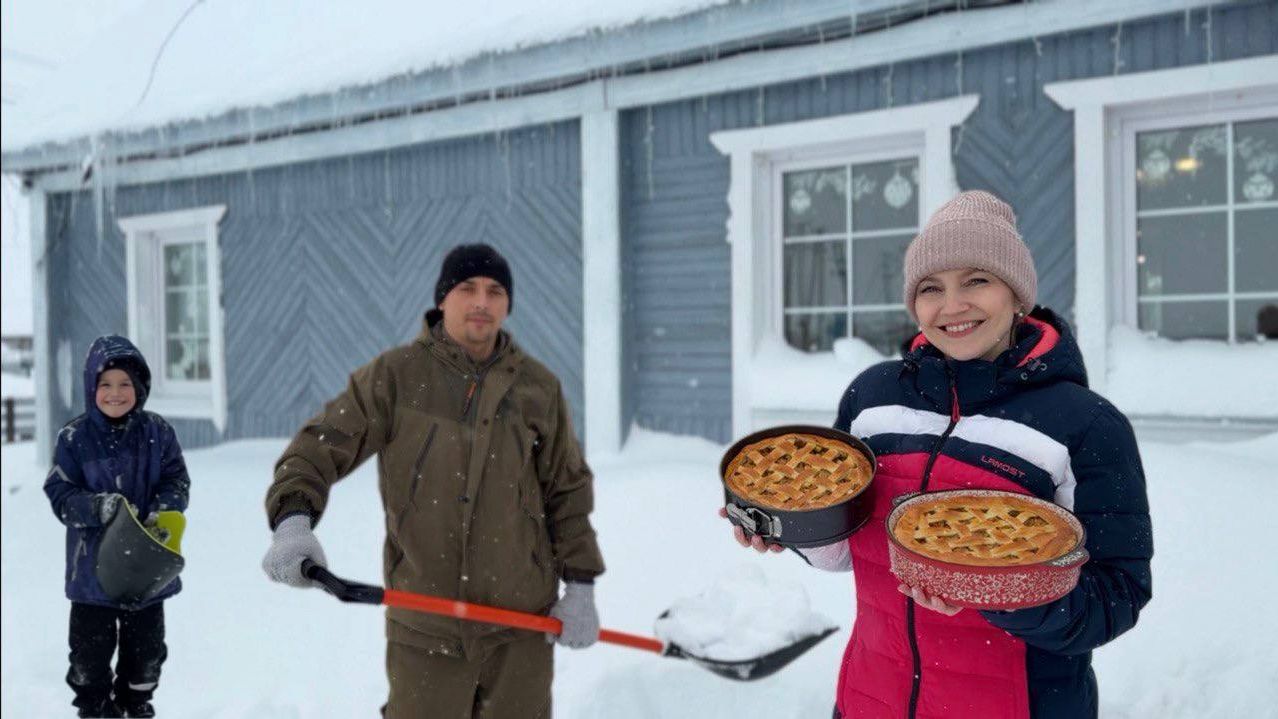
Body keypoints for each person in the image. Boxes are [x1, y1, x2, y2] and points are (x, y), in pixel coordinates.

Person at [724, 191, 1153, 718]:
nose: (952, 306)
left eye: (977, 280)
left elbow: (1117, 595)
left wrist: (1000, 592)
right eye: (931, 288)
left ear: (1016, 294)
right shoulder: (873, 398)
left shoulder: (1085, 425)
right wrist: (794, 526)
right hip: (871, 700)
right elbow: (847, 549)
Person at [262, 243, 605, 718]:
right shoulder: (396, 377)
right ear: (443, 298)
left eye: (495, 291)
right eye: (468, 288)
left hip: (520, 628)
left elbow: (567, 489)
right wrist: (293, 521)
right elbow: (319, 446)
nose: (481, 302)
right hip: (425, 625)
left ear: (508, 305)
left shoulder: (537, 388)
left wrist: (581, 585)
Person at [44, 335, 191, 718]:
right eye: (105, 384)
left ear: (140, 387)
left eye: (125, 383)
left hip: (145, 569)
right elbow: (60, 492)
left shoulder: (157, 432)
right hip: (91, 573)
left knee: (146, 654)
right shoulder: (74, 438)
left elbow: (176, 480)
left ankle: (135, 705)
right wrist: (97, 507)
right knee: (88, 657)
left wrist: (164, 510)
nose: (115, 393)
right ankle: (95, 708)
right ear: (90, 387)